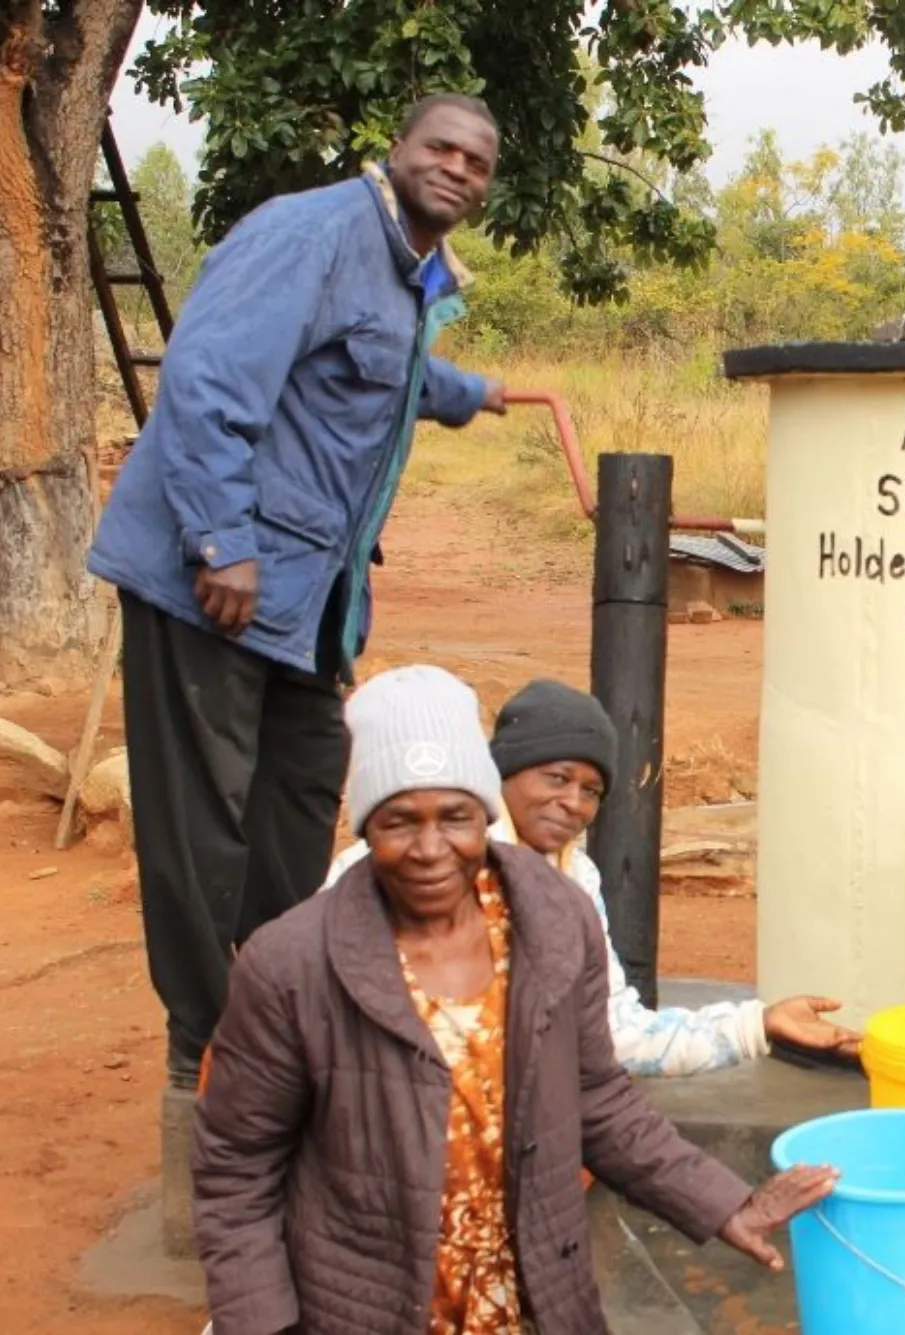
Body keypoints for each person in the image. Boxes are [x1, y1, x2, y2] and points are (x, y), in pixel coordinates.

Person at [193, 665, 838, 1334]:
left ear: (483, 810)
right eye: (398, 820)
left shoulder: (559, 914)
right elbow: (237, 1168)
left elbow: (597, 1096)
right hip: (367, 1304)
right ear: (365, 828)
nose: (431, 848)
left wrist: (726, 1204)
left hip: (520, 1297)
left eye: (455, 816)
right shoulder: (294, 962)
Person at [86, 92, 511, 1088]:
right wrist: (221, 540)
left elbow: (372, 373)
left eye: (476, 162)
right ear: (395, 151)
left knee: (304, 785)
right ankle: (204, 1039)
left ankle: (274, 1001)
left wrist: (463, 393)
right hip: (215, 574)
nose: (456, 168)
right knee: (200, 817)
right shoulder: (314, 232)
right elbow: (206, 381)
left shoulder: (408, 276)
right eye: (439, 148)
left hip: (305, 598)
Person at [320, 677, 861, 1075]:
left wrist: (757, 1025)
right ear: (500, 773)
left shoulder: (573, 879)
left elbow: (613, 1033)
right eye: (556, 777)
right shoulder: (398, 869)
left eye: (591, 790)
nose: (573, 803)